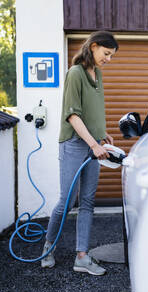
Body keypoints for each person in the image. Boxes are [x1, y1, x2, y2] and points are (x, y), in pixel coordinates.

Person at [40, 31, 118, 275]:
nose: (108, 59)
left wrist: (101, 135)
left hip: (94, 142)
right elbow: (73, 115)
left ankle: (82, 257)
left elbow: (92, 110)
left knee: (87, 201)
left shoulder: (99, 75)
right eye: (106, 54)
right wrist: (93, 145)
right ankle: (47, 248)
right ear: (93, 47)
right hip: (74, 143)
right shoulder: (75, 73)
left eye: (111, 56)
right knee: (67, 201)